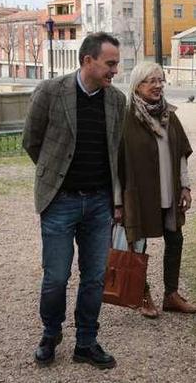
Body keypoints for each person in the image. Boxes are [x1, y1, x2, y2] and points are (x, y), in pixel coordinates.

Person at [22, 32, 125, 370]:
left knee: (94, 276)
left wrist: (116, 199)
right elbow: (31, 141)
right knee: (55, 276)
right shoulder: (51, 92)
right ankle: (50, 334)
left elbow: (116, 152)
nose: (115, 70)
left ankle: (86, 341)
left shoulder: (116, 101)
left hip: (99, 203)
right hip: (60, 202)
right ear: (88, 61)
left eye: (116, 64)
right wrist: (55, 175)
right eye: (110, 64)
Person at [118, 62, 196, 319]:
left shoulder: (168, 114)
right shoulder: (126, 117)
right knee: (138, 242)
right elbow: (117, 161)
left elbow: (181, 154)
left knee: (175, 239)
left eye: (160, 80)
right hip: (140, 193)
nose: (157, 85)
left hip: (169, 190)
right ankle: (142, 294)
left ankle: (171, 295)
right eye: (150, 81)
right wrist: (117, 200)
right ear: (137, 85)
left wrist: (185, 185)